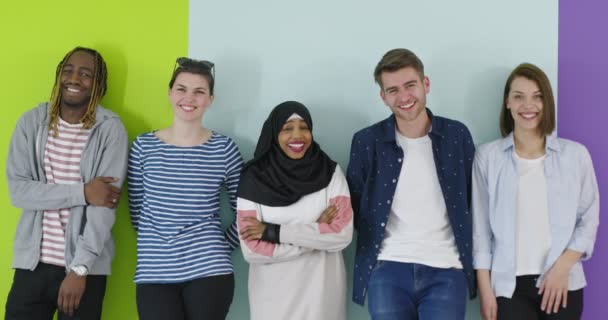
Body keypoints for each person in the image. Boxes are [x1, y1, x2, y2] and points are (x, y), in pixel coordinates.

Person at [347, 48, 476, 319]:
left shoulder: (456, 136)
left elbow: (471, 200)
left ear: (425, 84)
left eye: (410, 85)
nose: (404, 97)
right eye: (393, 90)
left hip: (446, 268)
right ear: (383, 96)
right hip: (387, 268)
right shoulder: (367, 142)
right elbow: (355, 206)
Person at [5, 47, 128, 320]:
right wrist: (83, 192)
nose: (74, 79)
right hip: (32, 266)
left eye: (86, 74)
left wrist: (80, 269)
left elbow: (104, 206)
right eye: (68, 70)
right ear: (59, 75)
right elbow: (20, 192)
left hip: (84, 271)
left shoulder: (110, 129)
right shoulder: (31, 123)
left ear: (99, 85)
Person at [473, 63, 599, 320]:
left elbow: (589, 218)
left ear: (547, 102)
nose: (527, 105)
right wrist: (486, 291)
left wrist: (562, 268)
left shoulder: (575, 156)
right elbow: (480, 230)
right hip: (508, 288)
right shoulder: (487, 157)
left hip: (562, 284)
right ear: (507, 102)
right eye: (518, 96)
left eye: (536, 96)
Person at [127, 57, 243, 320]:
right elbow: (137, 212)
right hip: (154, 271)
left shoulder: (224, 149)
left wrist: (219, 248)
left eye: (199, 91)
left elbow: (247, 212)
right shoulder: (144, 147)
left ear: (210, 99)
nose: (189, 98)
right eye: (181, 89)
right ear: (170, 93)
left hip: (210, 272)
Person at [237, 101, 353, 320]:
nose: (298, 136)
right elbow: (251, 250)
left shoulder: (330, 172)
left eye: (304, 127)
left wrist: (274, 232)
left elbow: (341, 235)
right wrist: (315, 233)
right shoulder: (253, 178)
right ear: (274, 133)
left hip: (322, 298)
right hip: (272, 299)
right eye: (287, 128)